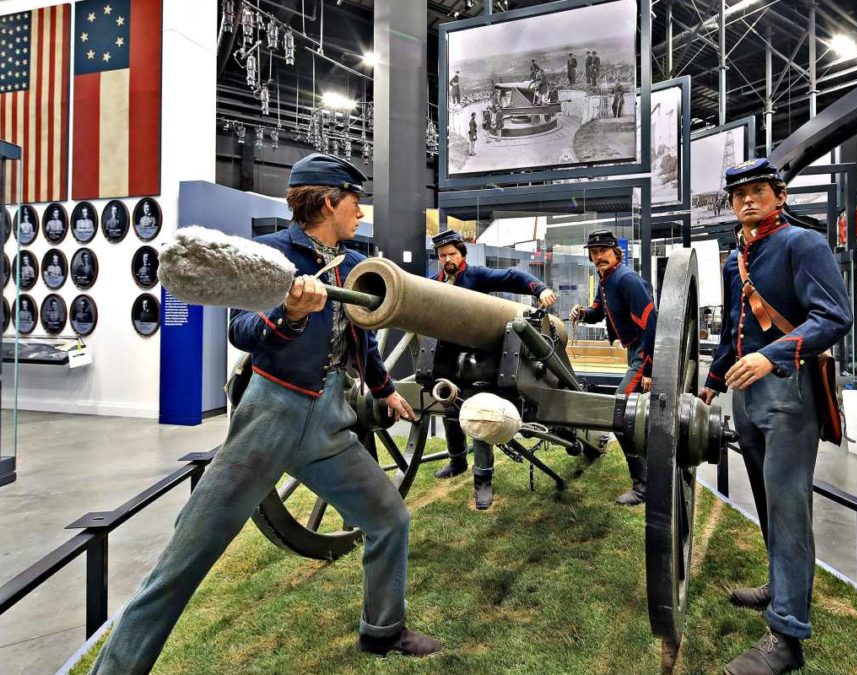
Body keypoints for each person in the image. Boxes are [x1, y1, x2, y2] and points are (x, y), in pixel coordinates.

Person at [88, 154, 443, 673]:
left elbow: (362, 341)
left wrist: (384, 389)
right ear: (329, 200)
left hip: (329, 416)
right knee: (187, 556)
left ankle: (382, 629)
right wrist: (290, 314)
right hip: (271, 414)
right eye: (355, 202)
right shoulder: (271, 255)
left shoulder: (348, 265)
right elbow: (241, 331)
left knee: (389, 519)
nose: (361, 213)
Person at [700, 158, 851, 675]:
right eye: (738, 194)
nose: (746, 200)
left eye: (757, 191)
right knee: (768, 502)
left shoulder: (801, 244)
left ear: (778, 195)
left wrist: (774, 354)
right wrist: (712, 383)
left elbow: (834, 316)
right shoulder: (735, 257)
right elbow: (732, 332)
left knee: (788, 509)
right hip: (747, 395)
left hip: (788, 392)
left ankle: (787, 637)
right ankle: (779, 584)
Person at [429, 229, 557, 510]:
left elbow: (512, 277)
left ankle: (483, 482)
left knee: (479, 414)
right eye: (442, 256)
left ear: (462, 254)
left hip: (480, 358)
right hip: (450, 359)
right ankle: (457, 461)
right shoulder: (435, 282)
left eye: (452, 254)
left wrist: (539, 288)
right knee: (450, 410)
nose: (447, 259)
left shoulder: (475, 276)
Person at [569, 230, 656, 506]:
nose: (598, 257)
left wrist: (649, 370)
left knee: (621, 412)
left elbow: (651, 323)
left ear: (615, 252)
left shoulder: (627, 280)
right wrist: (582, 312)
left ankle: (643, 487)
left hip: (643, 350)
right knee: (626, 414)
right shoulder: (606, 280)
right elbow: (598, 312)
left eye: (603, 251)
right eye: (593, 253)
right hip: (633, 350)